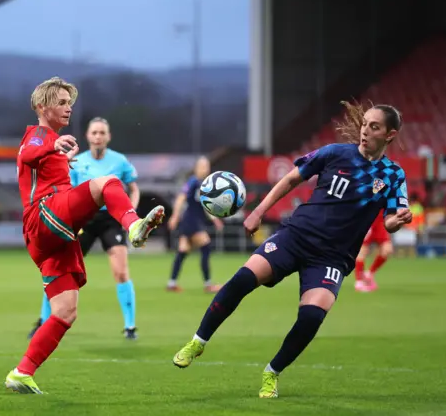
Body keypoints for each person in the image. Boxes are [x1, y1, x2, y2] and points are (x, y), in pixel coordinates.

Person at [172, 102, 412, 398]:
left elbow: (390, 222)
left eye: (374, 127)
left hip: (333, 257)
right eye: (364, 123)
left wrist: (397, 220)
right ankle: (198, 341)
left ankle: (272, 372)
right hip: (297, 236)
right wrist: (258, 212)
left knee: (311, 317)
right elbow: (291, 179)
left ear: (390, 135)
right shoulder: (335, 153)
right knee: (243, 280)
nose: (365, 130)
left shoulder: (393, 175)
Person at [5, 77, 164, 394]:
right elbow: (26, 155)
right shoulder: (37, 134)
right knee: (106, 184)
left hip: (49, 238)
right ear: (41, 106)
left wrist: (59, 156)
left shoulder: (52, 143)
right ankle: (133, 226)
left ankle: (22, 372)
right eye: (61, 102)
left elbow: (38, 165)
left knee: (66, 310)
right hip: (44, 216)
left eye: (69, 102)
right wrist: (53, 145)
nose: (68, 107)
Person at [28, 117, 141, 340]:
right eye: (94, 133)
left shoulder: (120, 161)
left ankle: (130, 327)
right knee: (58, 269)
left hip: (110, 219)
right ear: (88, 136)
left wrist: (130, 214)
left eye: (102, 133)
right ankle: (43, 320)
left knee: (121, 271)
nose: (98, 136)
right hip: (83, 221)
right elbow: (66, 192)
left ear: (108, 137)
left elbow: (134, 190)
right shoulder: (77, 161)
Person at [166, 156, 223, 293]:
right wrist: (174, 216)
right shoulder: (193, 182)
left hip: (193, 220)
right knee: (206, 245)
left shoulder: (205, 184)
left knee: (183, 250)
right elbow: (181, 198)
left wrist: (214, 218)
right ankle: (208, 284)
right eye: (202, 166)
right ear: (196, 168)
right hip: (191, 220)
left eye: (207, 166)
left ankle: (172, 283)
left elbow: (205, 205)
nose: (205, 168)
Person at [354, 209, 392, 292]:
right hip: (367, 220)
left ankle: (369, 273)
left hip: (380, 222)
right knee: (362, 250)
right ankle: (359, 281)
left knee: (387, 250)